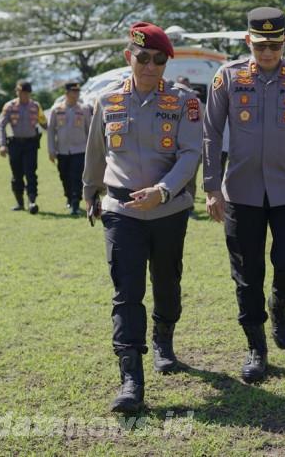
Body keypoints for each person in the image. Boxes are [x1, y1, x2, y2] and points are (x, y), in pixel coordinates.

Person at [202, 7, 285, 383]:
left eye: (275, 44)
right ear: (248, 41)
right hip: (241, 191)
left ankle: (281, 302)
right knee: (247, 274)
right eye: (260, 45)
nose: (268, 52)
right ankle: (256, 347)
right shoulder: (226, 78)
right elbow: (210, 133)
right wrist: (211, 186)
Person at [83, 22, 202, 413]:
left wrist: (162, 191)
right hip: (121, 211)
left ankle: (164, 338)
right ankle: (131, 377)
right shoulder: (107, 101)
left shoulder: (184, 101)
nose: (150, 66)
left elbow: (189, 154)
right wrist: (89, 192)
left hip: (168, 209)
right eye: (143, 58)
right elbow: (96, 152)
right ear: (128, 57)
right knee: (126, 291)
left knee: (167, 282)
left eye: (159, 59)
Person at [0, 80, 47, 213]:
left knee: (31, 173)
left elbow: (44, 123)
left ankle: (32, 201)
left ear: (30, 93)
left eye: (26, 93)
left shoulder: (36, 106)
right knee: (17, 174)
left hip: (31, 144)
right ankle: (19, 202)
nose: (23, 95)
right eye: (21, 92)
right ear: (17, 92)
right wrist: (1, 144)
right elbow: (1, 125)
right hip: (15, 144)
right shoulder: (9, 106)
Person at [47, 81, 91, 215]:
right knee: (64, 176)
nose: (76, 94)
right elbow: (50, 131)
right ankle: (69, 197)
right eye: (74, 91)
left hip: (80, 150)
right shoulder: (56, 110)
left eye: (78, 91)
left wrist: (91, 150)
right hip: (62, 150)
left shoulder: (84, 109)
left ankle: (76, 203)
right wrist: (51, 150)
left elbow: (89, 130)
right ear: (66, 93)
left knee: (77, 177)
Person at [176, 76, 201, 205]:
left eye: (186, 85)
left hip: (191, 148)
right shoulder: (167, 101)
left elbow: (196, 125)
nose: (183, 88)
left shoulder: (194, 103)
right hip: (171, 150)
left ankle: (188, 205)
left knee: (190, 179)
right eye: (181, 85)